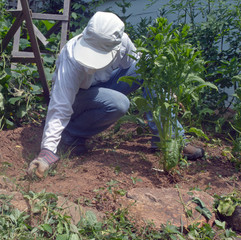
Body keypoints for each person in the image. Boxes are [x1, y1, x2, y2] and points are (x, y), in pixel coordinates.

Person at [27, 12, 204, 178]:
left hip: (103, 86)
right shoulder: (71, 57)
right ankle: (71, 135)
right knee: (119, 103)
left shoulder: (123, 43)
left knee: (149, 66)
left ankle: (170, 140)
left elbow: (139, 67)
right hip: (78, 99)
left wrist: (164, 88)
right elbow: (61, 106)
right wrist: (47, 152)